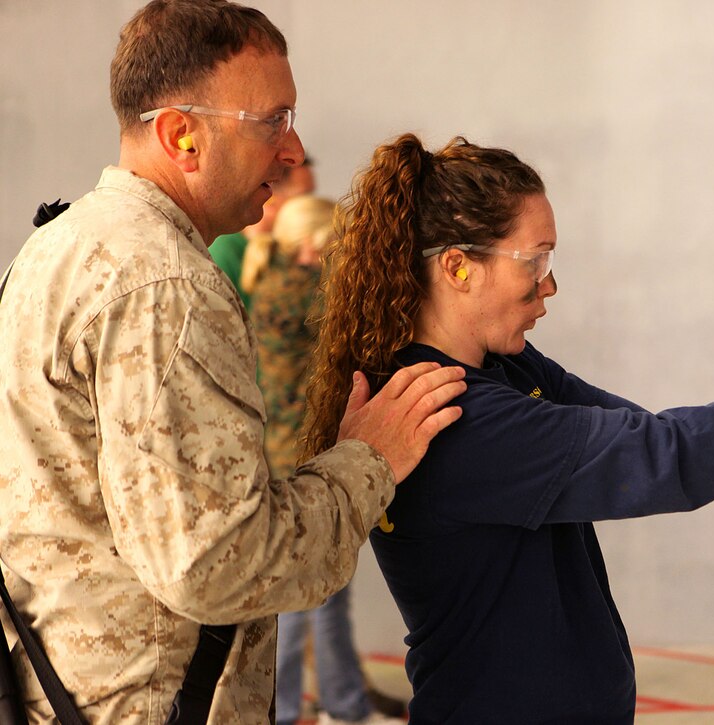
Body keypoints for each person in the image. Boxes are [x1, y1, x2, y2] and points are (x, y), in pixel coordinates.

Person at [298, 133, 714, 724]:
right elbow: (664, 456)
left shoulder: (504, 370)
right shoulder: (453, 414)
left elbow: (649, 434)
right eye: (533, 263)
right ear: (457, 267)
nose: (550, 287)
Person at [0, 4, 465, 723]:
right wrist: (370, 458)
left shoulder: (59, 247)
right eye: (272, 121)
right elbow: (216, 564)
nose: (293, 148)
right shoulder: (166, 286)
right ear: (181, 134)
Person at [246, 195, 402, 725]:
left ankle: (341, 703)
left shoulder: (273, 279)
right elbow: (354, 305)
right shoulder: (294, 289)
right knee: (304, 595)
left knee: (326, 593)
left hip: (290, 454)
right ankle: (291, 709)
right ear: (312, 244)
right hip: (299, 458)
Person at [211, 157, 317, 310]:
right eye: (303, 196)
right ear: (270, 198)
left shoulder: (285, 252)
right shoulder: (223, 253)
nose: (311, 205)